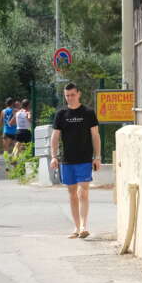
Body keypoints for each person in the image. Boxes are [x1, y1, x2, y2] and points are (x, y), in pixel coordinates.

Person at [49, 83, 101, 239]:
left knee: (83, 191)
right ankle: (77, 228)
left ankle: (85, 226)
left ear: (79, 94)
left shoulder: (88, 113)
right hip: (67, 160)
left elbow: (95, 136)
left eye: (72, 94)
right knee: (72, 194)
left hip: (85, 159)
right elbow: (55, 137)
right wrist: (53, 156)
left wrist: (97, 157)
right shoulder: (61, 114)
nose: (70, 98)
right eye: (67, 95)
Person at [0, 98, 17, 162]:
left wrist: (3, 130)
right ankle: (14, 159)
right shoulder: (15, 110)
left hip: (6, 131)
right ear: (12, 103)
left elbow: (1, 122)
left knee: (5, 149)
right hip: (14, 131)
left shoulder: (3, 111)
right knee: (16, 147)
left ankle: (7, 164)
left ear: (6, 103)